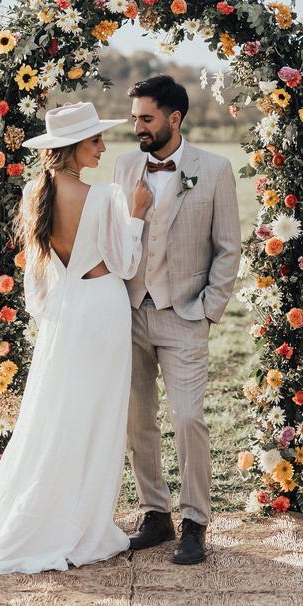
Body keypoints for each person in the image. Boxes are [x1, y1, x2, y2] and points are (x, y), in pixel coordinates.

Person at [0, 101, 153, 576]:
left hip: (66, 313)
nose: (103, 147)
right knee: (96, 416)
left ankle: (53, 514)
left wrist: (55, 316)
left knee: (58, 413)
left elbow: (37, 283)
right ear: (74, 147)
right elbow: (124, 264)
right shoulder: (102, 198)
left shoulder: (35, 194)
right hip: (100, 309)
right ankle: (82, 524)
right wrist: (137, 214)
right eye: (96, 140)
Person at [115, 74, 241, 565]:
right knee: (136, 420)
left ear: (174, 118)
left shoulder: (214, 170)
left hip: (185, 314)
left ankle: (195, 522)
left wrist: (209, 310)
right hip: (129, 313)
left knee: (188, 418)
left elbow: (229, 248)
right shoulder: (125, 167)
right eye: (134, 119)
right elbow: (115, 237)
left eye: (146, 119)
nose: (138, 128)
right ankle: (155, 514)